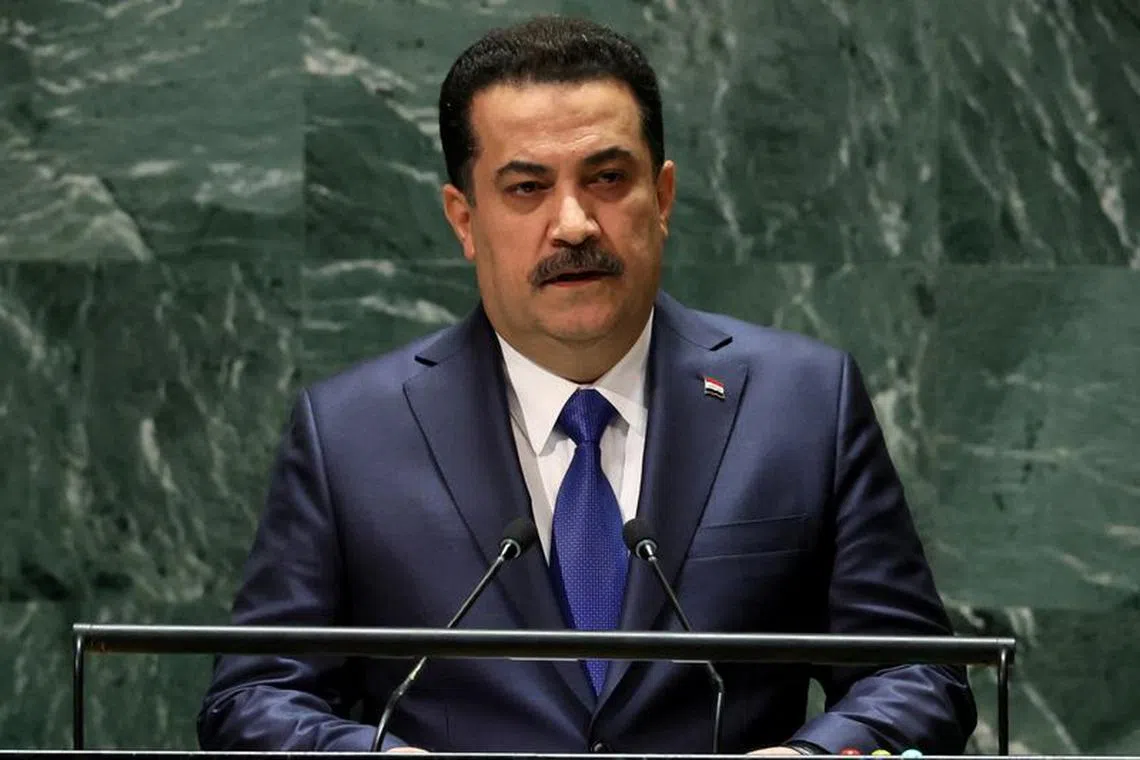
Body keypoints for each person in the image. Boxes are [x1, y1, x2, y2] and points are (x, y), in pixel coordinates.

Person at [198, 15, 976, 754]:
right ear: (464, 220)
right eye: (526, 187)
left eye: (606, 178)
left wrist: (810, 758)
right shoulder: (350, 434)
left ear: (661, 198)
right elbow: (256, 695)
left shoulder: (802, 404)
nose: (573, 224)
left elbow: (916, 672)